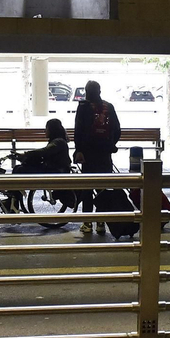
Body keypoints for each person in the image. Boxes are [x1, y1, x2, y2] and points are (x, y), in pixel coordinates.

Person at [73, 81, 121, 235]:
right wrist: (110, 144)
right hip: (105, 154)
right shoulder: (109, 107)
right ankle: (101, 222)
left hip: (88, 154)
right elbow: (117, 129)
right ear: (99, 91)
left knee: (87, 187)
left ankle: (88, 223)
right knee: (103, 188)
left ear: (87, 91)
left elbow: (78, 130)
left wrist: (79, 150)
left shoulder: (84, 107)